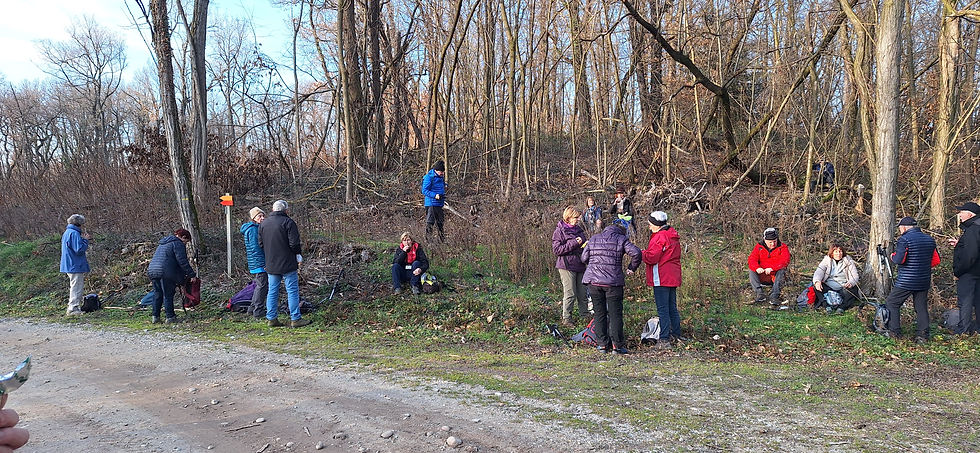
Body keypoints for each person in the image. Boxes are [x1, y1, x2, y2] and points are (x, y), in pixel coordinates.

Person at [581, 222, 642, 355]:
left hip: (593, 282)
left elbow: (584, 257)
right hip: (613, 283)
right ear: (621, 232)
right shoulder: (621, 239)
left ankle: (602, 345)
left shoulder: (594, 238)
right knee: (615, 314)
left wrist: (594, 266)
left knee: (599, 313)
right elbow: (636, 253)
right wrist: (631, 268)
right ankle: (617, 346)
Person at [884, 217, 940, 343]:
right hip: (924, 280)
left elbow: (899, 260)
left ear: (904, 227)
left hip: (906, 280)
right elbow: (936, 260)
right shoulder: (930, 240)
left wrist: (893, 256)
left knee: (892, 303)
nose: (899, 230)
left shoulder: (904, 239)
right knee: (920, 306)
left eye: (899, 227)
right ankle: (923, 335)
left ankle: (894, 332)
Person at [260, 200, 311, 328]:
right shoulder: (289, 222)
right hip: (288, 262)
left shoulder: (263, 224)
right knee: (292, 291)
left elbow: (261, 244)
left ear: (273, 209)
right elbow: (294, 244)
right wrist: (298, 254)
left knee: (272, 291)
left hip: (271, 263)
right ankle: (295, 318)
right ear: (285, 210)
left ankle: (271, 318)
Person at [642, 211, 682, 349]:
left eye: (650, 224)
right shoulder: (673, 235)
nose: (649, 227)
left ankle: (664, 339)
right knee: (672, 307)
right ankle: (676, 334)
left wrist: (641, 253)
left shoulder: (659, 237)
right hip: (673, 276)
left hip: (661, 276)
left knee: (663, 309)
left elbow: (651, 257)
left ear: (656, 225)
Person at [147, 228, 197, 323]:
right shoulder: (178, 244)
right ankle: (170, 317)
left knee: (158, 294)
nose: (185, 244)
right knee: (168, 294)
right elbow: (182, 261)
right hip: (165, 272)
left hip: (152, 270)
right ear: (183, 237)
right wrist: (192, 275)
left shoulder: (163, 244)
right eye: (186, 242)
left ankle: (155, 317)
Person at [552, 206, 589, 327]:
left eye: (578, 217)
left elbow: (582, 242)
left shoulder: (579, 229)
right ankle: (567, 318)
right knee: (570, 293)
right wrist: (574, 243)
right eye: (576, 217)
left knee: (583, 293)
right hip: (566, 265)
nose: (578, 219)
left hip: (580, 264)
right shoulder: (559, 231)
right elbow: (557, 250)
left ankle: (585, 316)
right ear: (568, 217)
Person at [951, 202, 980, 335]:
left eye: (962, 212)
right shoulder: (976, 227)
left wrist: (959, 271)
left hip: (969, 272)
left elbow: (971, 255)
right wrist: (960, 244)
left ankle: (964, 329)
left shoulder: (973, 229)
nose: (960, 215)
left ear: (970, 214)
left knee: (966, 301)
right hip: (976, 271)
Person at [747, 227, 791, 307]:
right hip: (761, 275)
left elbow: (785, 261)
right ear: (765, 240)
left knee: (782, 270)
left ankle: (774, 296)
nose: (773, 244)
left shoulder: (783, 247)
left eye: (774, 241)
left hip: (775, 276)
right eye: (770, 242)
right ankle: (759, 294)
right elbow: (752, 259)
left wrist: (772, 268)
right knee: (751, 270)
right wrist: (757, 268)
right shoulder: (759, 247)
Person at [812, 244, 860, 314]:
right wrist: (817, 281)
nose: (838, 254)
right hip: (829, 287)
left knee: (853, 289)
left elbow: (855, 275)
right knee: (816, 287)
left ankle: (841, 308)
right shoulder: (827, 260)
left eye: (840, 251)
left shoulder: (848, 261)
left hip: (843, 287)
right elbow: (819, 272)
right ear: (832, 252)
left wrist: (851, 282)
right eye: (836, 252)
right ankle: (827, 306)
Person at [60, 214, 92, 316]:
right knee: (76, 286)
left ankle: (73, 307)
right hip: (75, 264)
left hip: (69, 264)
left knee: (74, 285)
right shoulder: (74, 233)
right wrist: (85, 240)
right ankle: (73, 308)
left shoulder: (67, 232)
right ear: (79, 224)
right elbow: (79, 249)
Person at [240, 207, 269, 319]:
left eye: (263, 216)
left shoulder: (256, 228)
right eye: (259, 216)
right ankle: (258, 310)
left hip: (257, 261)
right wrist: (264, 264)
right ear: (254, 218)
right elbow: (256, 248)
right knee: (262, 286)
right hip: (259, 262)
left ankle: (252, 308)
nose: (262, 218)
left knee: (259, 285)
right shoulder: (252, 230)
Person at [421, 160, 447, 242]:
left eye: (443, 172)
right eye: (441, 172)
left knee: (440, 223)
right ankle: (428, 240)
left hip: (440, 204)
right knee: (430, 222)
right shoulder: (429, 177)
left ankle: (442, 240)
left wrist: (445, 186)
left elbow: (440, 186)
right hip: (431, 203)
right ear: (436, 170)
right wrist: (435, 195)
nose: (442, 173)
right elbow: (424, 190)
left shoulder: (441, 178)